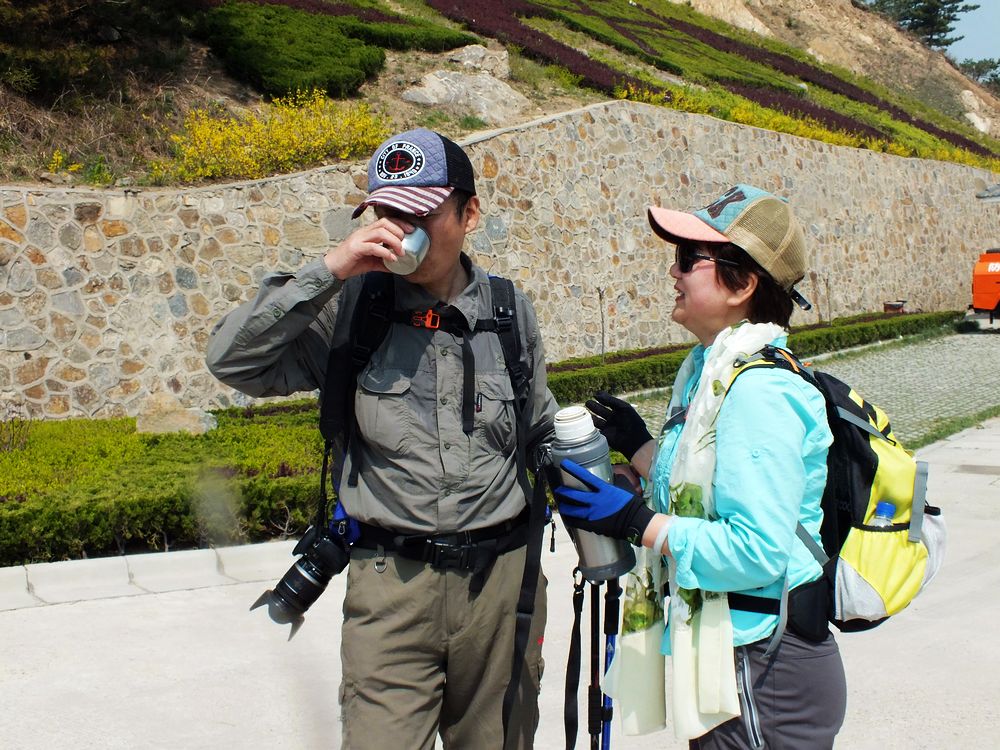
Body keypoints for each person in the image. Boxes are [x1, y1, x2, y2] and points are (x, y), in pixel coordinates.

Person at [206, 128, 558, 750]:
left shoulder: (508, 312)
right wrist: (332, 268)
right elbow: (232, 360)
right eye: (386, 212)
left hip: (501, 591)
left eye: (416, 214)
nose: (399, 230)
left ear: (469, 213)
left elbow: (540, 430)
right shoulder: (350, 309)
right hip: (390, 588)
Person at [553, 185, 847, 748]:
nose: (674, 271)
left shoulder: (759, 391)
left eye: (690, 258)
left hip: (766, 668)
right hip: (733, 655)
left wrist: (637, 524)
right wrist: (638, 446)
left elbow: (755, 551)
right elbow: (706, 489)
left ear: (744, 282)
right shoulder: (708, 372)